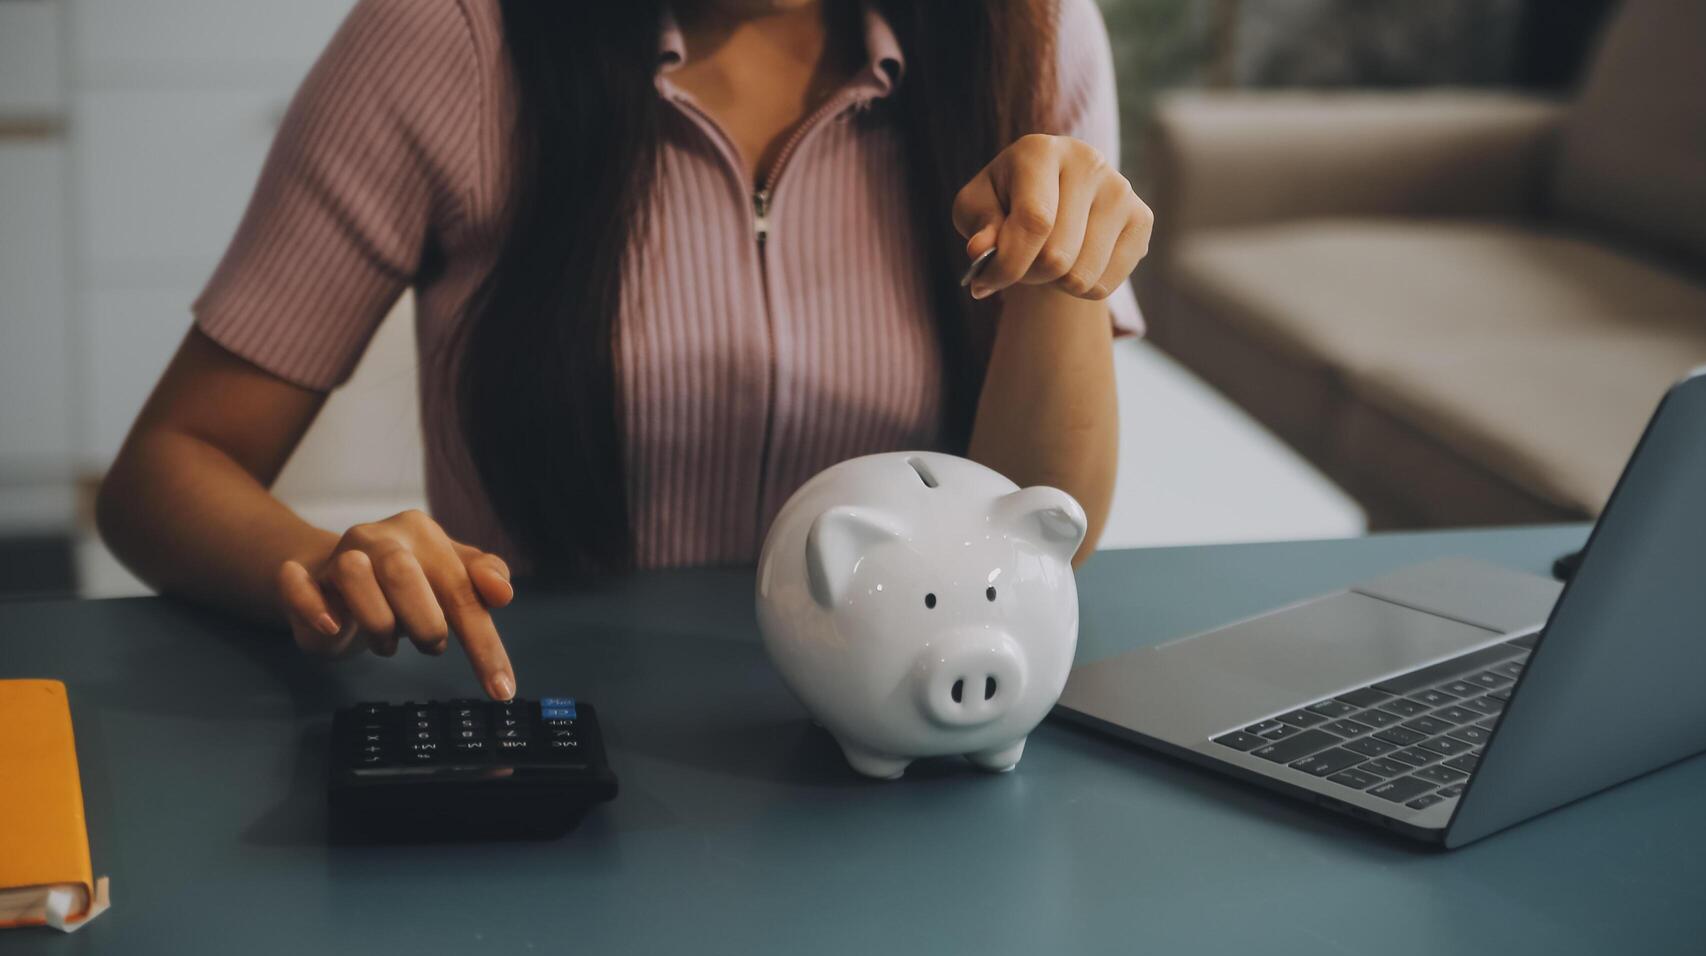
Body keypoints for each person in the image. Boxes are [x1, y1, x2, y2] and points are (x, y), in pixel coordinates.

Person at [96, 0, 1152, 701]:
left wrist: (1066, 270)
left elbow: (1045, 525)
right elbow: (168, 469)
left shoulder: (1026, 31)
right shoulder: (447, 38)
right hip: (552, 735)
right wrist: (328, 567)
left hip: (911, 734)